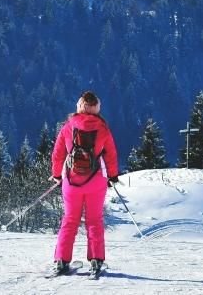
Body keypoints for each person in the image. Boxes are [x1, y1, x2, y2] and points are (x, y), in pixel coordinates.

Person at [50, 90, 119, 277]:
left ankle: (61, 261)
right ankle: (96, 261)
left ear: (80, 106)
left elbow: (58, 154)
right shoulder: (103, 128)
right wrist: (113, 176)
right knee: (94, 220)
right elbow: (111, 154)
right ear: (97, 108)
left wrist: (57, 175)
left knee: (69, 220)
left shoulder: (68, 127)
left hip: (71, 181)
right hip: (96, 180)